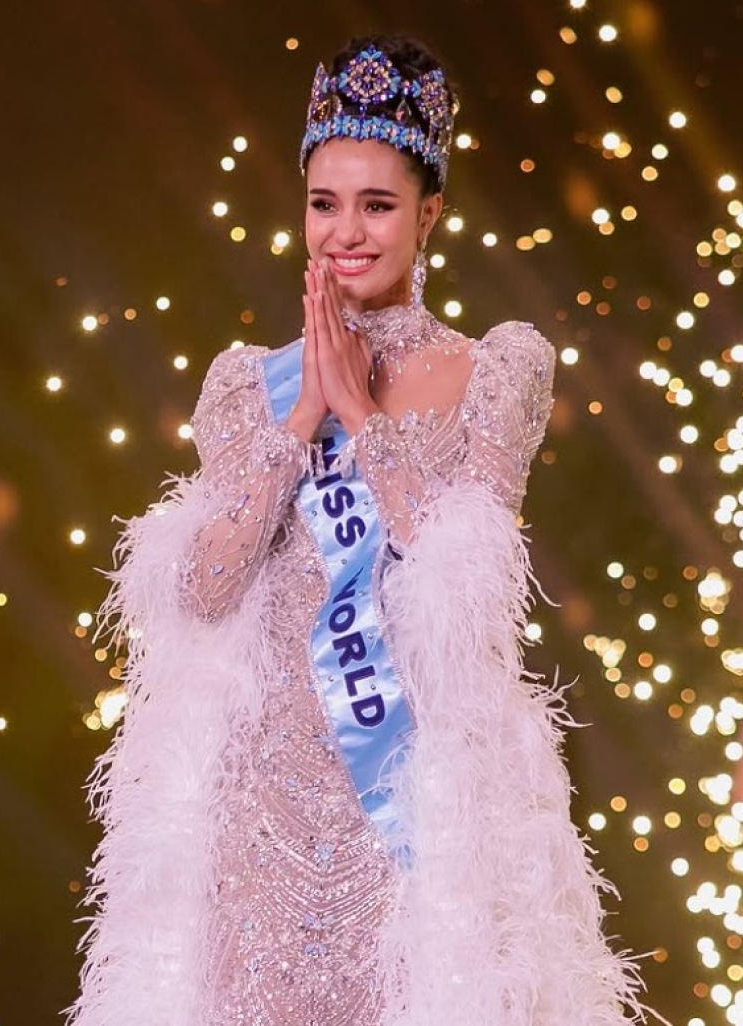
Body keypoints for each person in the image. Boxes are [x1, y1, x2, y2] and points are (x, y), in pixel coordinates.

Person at [66, 34, 667, 1026]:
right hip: (255, 825)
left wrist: (362, 414)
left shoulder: (495, 371)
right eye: (323, 203)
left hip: (412, 818)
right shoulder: (247, 385)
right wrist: (302, 414)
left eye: (377, 205)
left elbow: (469, 589)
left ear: (429, 213)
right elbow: (202, 591)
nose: (344, 232)